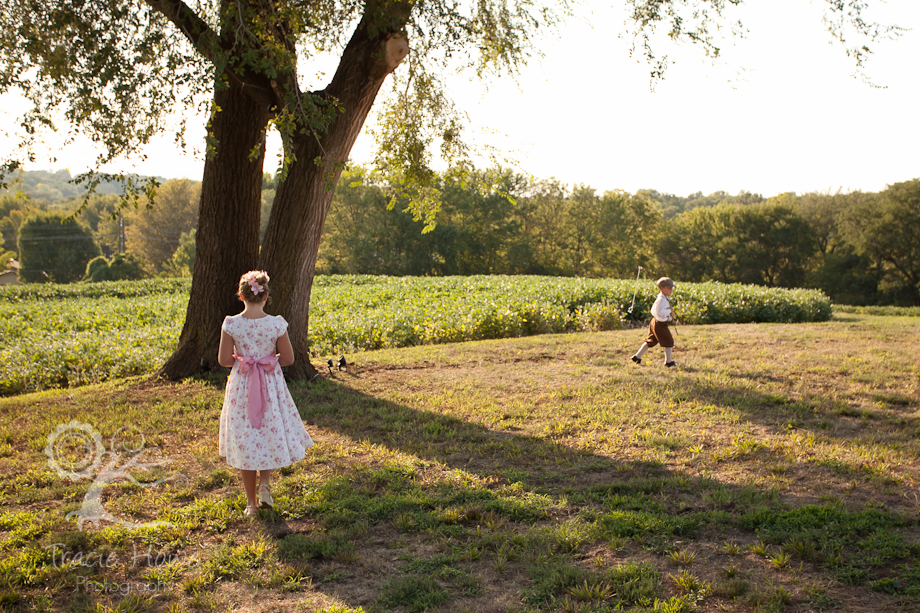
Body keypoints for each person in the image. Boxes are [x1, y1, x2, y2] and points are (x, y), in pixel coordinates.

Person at [217, 270, 314, 517]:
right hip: (269, 385)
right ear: (266, 296)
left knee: (246, 439)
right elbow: (289, 358)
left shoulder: (231, 323)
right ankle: (265, 486)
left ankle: (250, 504)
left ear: (241, 296)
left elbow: (224, 360)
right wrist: (267, 361)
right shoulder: (276, 324)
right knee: (268, 432)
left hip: (243, 386)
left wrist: (244, 360)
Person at [630, 276, 678, 368]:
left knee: (651, 341)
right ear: (661, 288)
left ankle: (637, 357)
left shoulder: (663, 299)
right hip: (660, 324)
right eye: (669, 288)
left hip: (655, 322)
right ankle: (669, 362)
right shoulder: (661, 300)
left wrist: (670, 313)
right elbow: (659, 312)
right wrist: (670, 311)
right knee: (668, 341)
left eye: (672, 288)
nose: (671, 290)